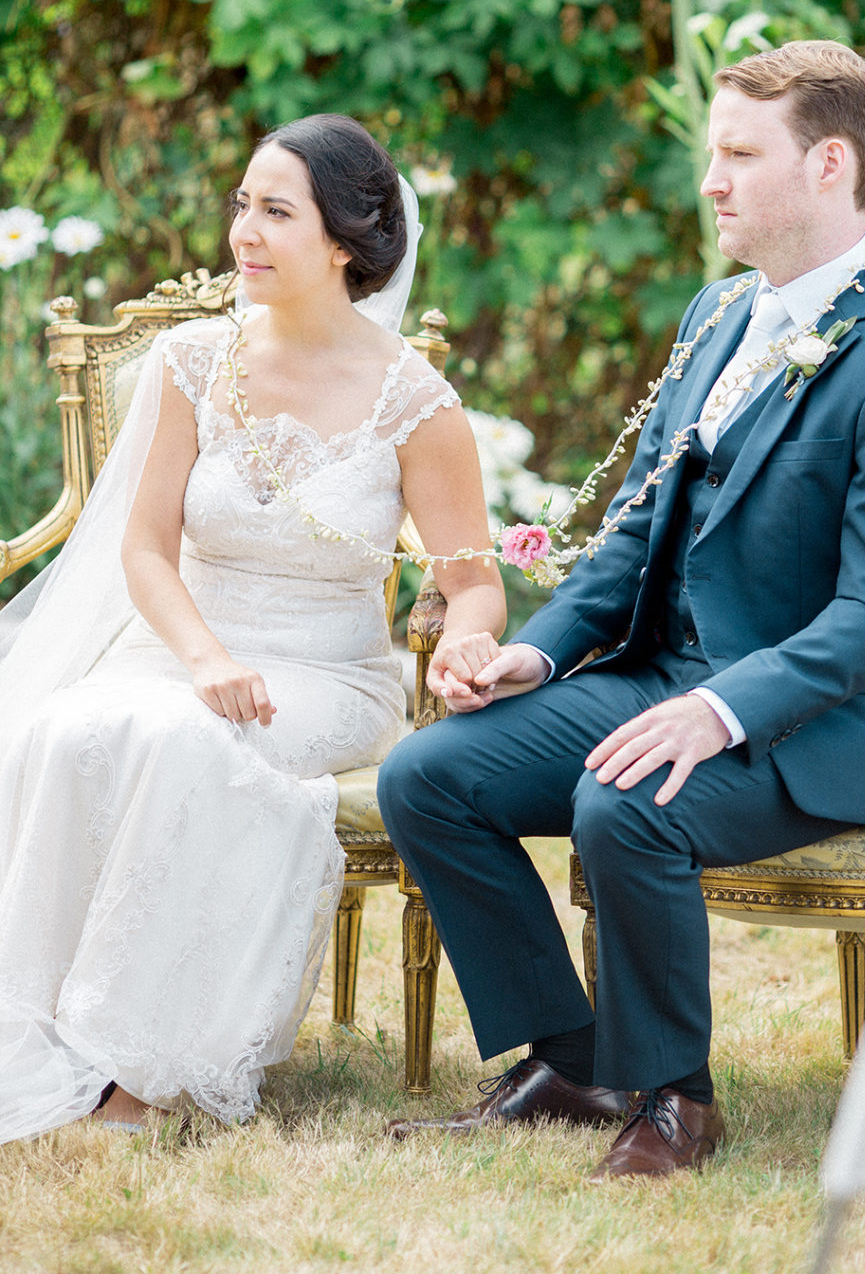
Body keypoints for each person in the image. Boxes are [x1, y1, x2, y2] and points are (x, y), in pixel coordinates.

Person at [377, 42, 865, 1182]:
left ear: (826, 164)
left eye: (735, 154)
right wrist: (533, 650)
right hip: (656, 676)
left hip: (824, 720)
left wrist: (718, 711)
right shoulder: (718, 315)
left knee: (628, 805)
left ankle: (677, 1099)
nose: (708, 180)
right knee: (430, 776)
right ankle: (575, 1061)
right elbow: (631, 538)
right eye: (709, 153)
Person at [0, 114, 505, 1141]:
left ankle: (135, 1073)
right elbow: (145, 549)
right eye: (243, 204)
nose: (244, 231)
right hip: (182, 646)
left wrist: (466, 638)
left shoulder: (418, 402)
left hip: (324, 673)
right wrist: (204, 657)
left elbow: (474, 581)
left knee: (186, 742)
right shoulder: (193, 362)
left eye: (276, 210)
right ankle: (40, 1032)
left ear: (345, 242)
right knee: (71, 727)